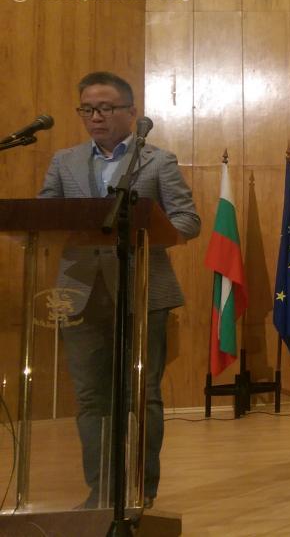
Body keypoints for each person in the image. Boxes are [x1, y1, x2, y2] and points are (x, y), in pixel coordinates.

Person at [38, 71, 201, 509]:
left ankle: (140, 490)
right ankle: (101, 492)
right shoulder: (64, 161)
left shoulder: (158, 161)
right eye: (88, 109)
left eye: (106, 108)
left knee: (142, 394)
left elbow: (188, 220)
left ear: (131, 112)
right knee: (91, 397)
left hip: (144, 289)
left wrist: (144, 232)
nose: (96, 116)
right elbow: (43, 215)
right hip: (80, 293)